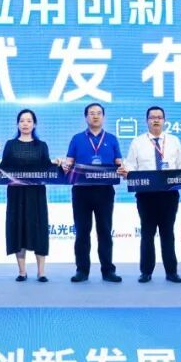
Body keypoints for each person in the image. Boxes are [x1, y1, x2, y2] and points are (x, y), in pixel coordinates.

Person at [119, 106, 181, 283]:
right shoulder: (138, 142)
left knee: (167, 233)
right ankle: (146, 272)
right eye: (152, 117)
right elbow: (131, 165)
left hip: (169, 194)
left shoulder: (173, 140)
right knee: (147, 233)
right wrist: (126, 171)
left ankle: (171, 272)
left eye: (159, 117)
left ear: (164, 120)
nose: (156, 120)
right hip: (146, 194)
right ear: (147, 121)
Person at [62, 102, 123, 283]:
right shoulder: (77, 139)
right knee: (82, 231)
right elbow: (69, 162)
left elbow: (119, 162)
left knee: (104, 231)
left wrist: (123, 167)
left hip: (105, 191)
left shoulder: (111, 139)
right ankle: (82, 270)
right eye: (91, 113)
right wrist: (64, 165)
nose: (95, 116)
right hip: (81, 191)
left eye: (98, 113)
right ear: (86, 117)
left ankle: (108, 270)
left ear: (103, 117)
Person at [0, 109, 53, 282]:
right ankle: (22, 271)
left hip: (36, 194)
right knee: (18, 228)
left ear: (34, 124)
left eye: (29, 121)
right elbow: (3, 167)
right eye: (22, 120)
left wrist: (58, 164)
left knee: (39, 229)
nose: (25, 124)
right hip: (16, 194)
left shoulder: (42, 145)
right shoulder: (10, 145)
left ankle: (41, 272)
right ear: (17, 124)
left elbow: (48, 168)